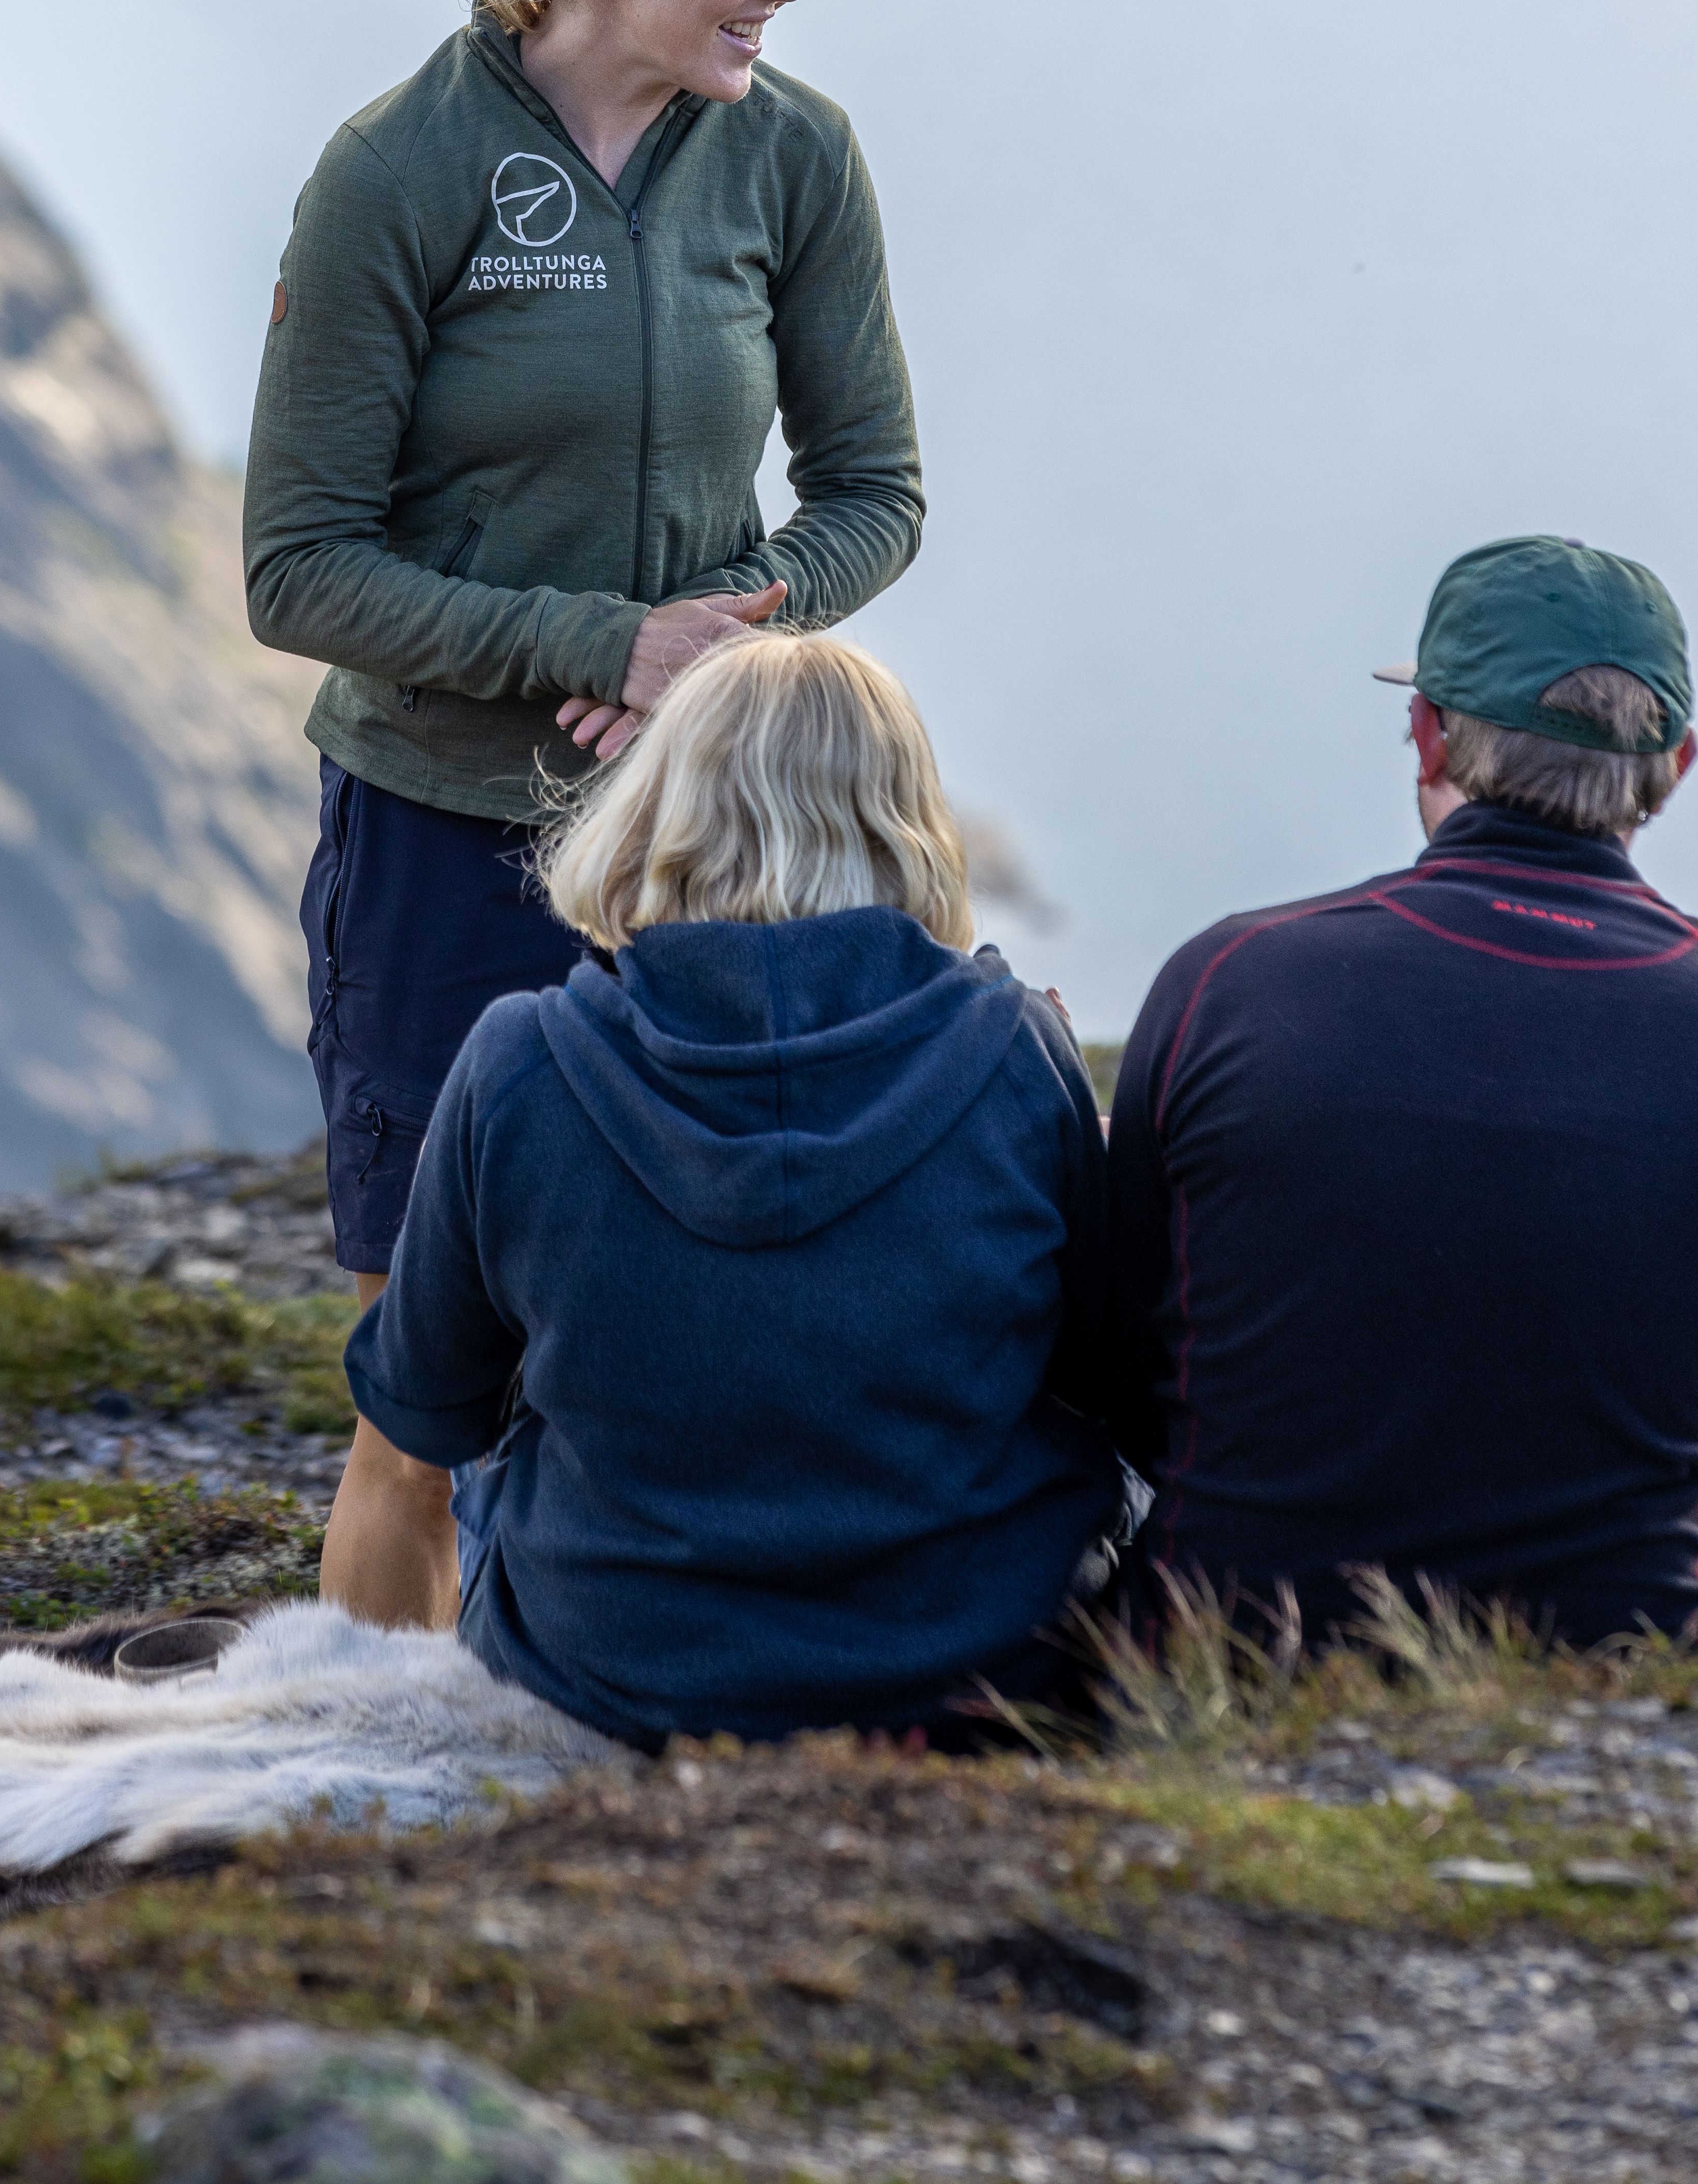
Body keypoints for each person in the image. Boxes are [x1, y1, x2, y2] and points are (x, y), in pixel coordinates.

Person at [244, 0, 924, 1626]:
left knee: (680, 1352)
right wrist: (592, 643)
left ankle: (604, 1749)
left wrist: (724, 642)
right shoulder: (399, 171)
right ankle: (382, 1785)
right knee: (425, 1409)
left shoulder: (790, 156)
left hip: (705, 846)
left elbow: (874, 493)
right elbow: (296, 567)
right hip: (441, 843)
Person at [339, 630, 1122, 1748]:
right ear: (901, 813)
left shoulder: (521, 1061)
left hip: (609, 1682)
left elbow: (415, 1431)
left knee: (479, 1447)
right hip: (968, 1678)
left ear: (660, 798)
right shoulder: (1014, 1050)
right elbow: (1110, 1382)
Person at [1095, 533, 1698, 1650]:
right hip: (1618, 1695)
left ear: (1426, 734)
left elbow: (1129, 1387)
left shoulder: (1228, 981)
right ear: (1675, 764)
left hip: (1230, 1668)